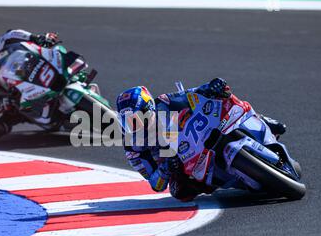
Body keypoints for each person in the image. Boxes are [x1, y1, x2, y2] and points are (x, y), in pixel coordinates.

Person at [116, 78, 286, 202]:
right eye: (128, 121)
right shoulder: (132, 146)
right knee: (179, 192)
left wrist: (210, 87)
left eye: (137, 117)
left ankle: (260, 119)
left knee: (224, 97)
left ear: (149, 108)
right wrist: (165, 169)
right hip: (182, 162)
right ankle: (226, 178)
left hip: (196, 135)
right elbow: (156, 184)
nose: (135, 125)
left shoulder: (164, 102)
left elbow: (191, 94)